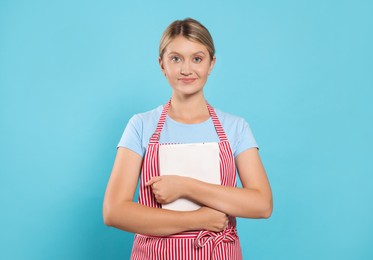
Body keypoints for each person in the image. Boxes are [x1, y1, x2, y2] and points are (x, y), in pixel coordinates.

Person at [103, 18, 273, 259]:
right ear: (161, 64)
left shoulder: (235, 127)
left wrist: (186, 186)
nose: (186, 69)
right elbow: (114, 211)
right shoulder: (141, 125)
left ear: (211, 63)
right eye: (175, 58)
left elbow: (262, 204)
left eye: (197, 58)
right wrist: (197, 219)